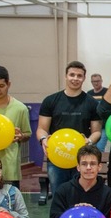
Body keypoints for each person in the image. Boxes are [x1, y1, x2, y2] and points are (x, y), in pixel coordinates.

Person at [36, 61, 102, 191]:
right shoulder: (50, 101)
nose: (75, 79)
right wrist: (43, 139)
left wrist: (88, 141)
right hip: (57, 158)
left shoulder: (92, 103)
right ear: (66, 76)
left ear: (83, 78)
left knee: (81, 195)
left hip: (81, 160)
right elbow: (41, 129)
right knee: (58, 195)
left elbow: (97, 132)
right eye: (72, 75)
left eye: (79, 76)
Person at [90, 73, 109, 152]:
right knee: (92, 147)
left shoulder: (107, 92)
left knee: (100, 148)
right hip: (93, 126)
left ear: (101, 81)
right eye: (94, 81)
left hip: (104, 125)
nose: (96, 83)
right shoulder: (89, 94)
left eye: (98, 81)